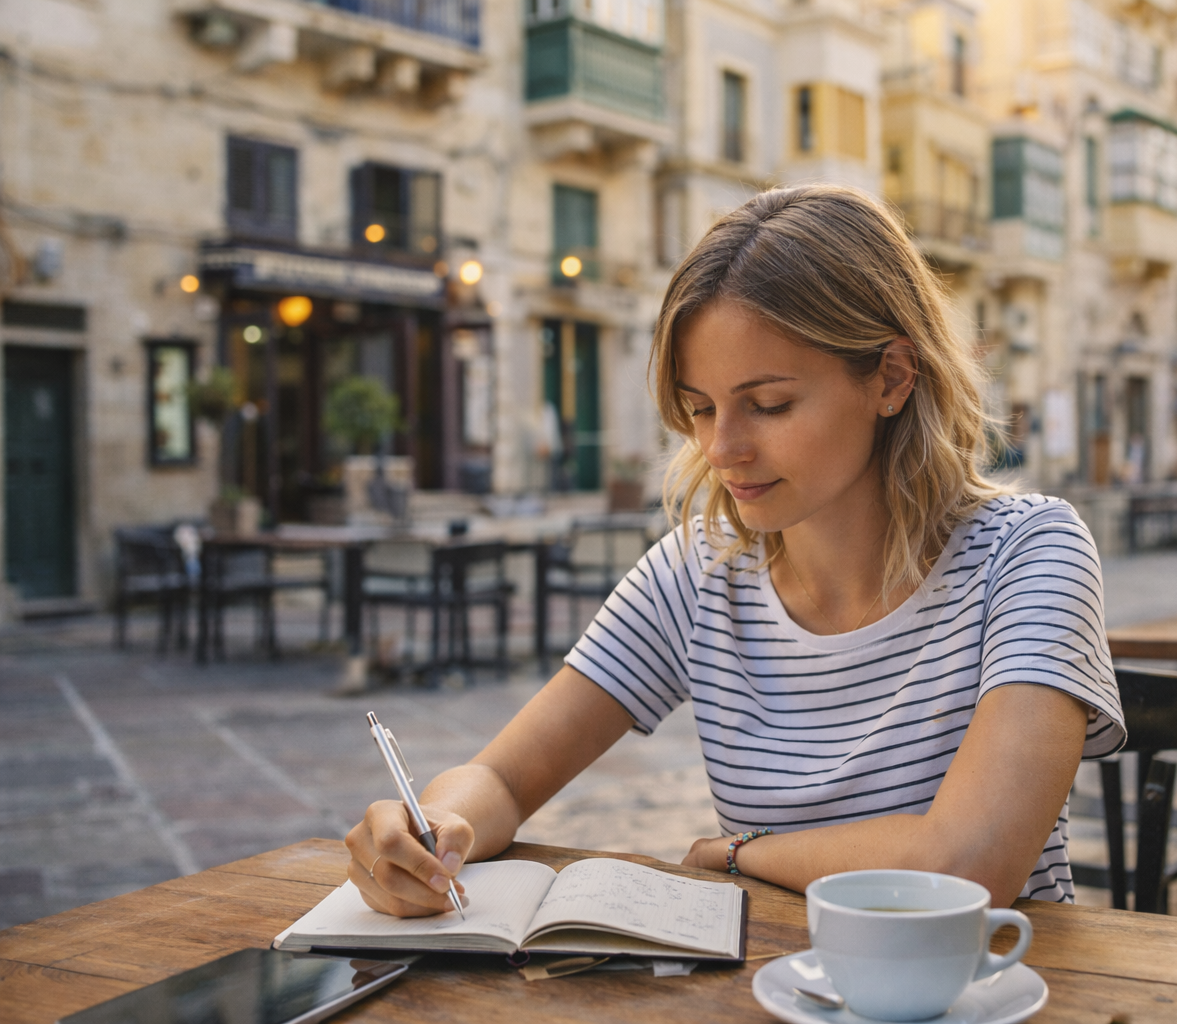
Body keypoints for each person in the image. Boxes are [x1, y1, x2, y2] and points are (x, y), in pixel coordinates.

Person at [346, 185, 1125, 915]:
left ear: (891, 376)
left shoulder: (1027, 555)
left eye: (769, 404)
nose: (722, 448)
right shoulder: (700, 571)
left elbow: (969, 864)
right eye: (700, 408)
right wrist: (435, 827)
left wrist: (737, 855)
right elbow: (504, 777)